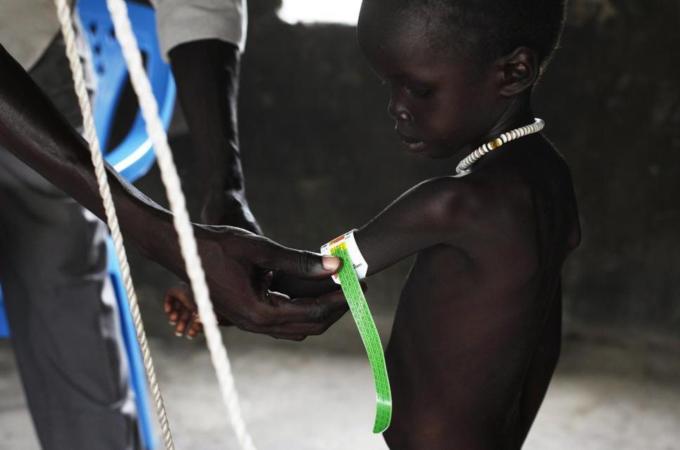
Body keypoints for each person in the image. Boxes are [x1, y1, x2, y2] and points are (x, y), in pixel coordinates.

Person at [167, 0, 582, 448]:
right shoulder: (551, 179)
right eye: (390, 86)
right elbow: (544, 330)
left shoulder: (453, 204)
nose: (396, 107)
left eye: (418, 89)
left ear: (514, 73)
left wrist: (223, 291)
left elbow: (324, 271)